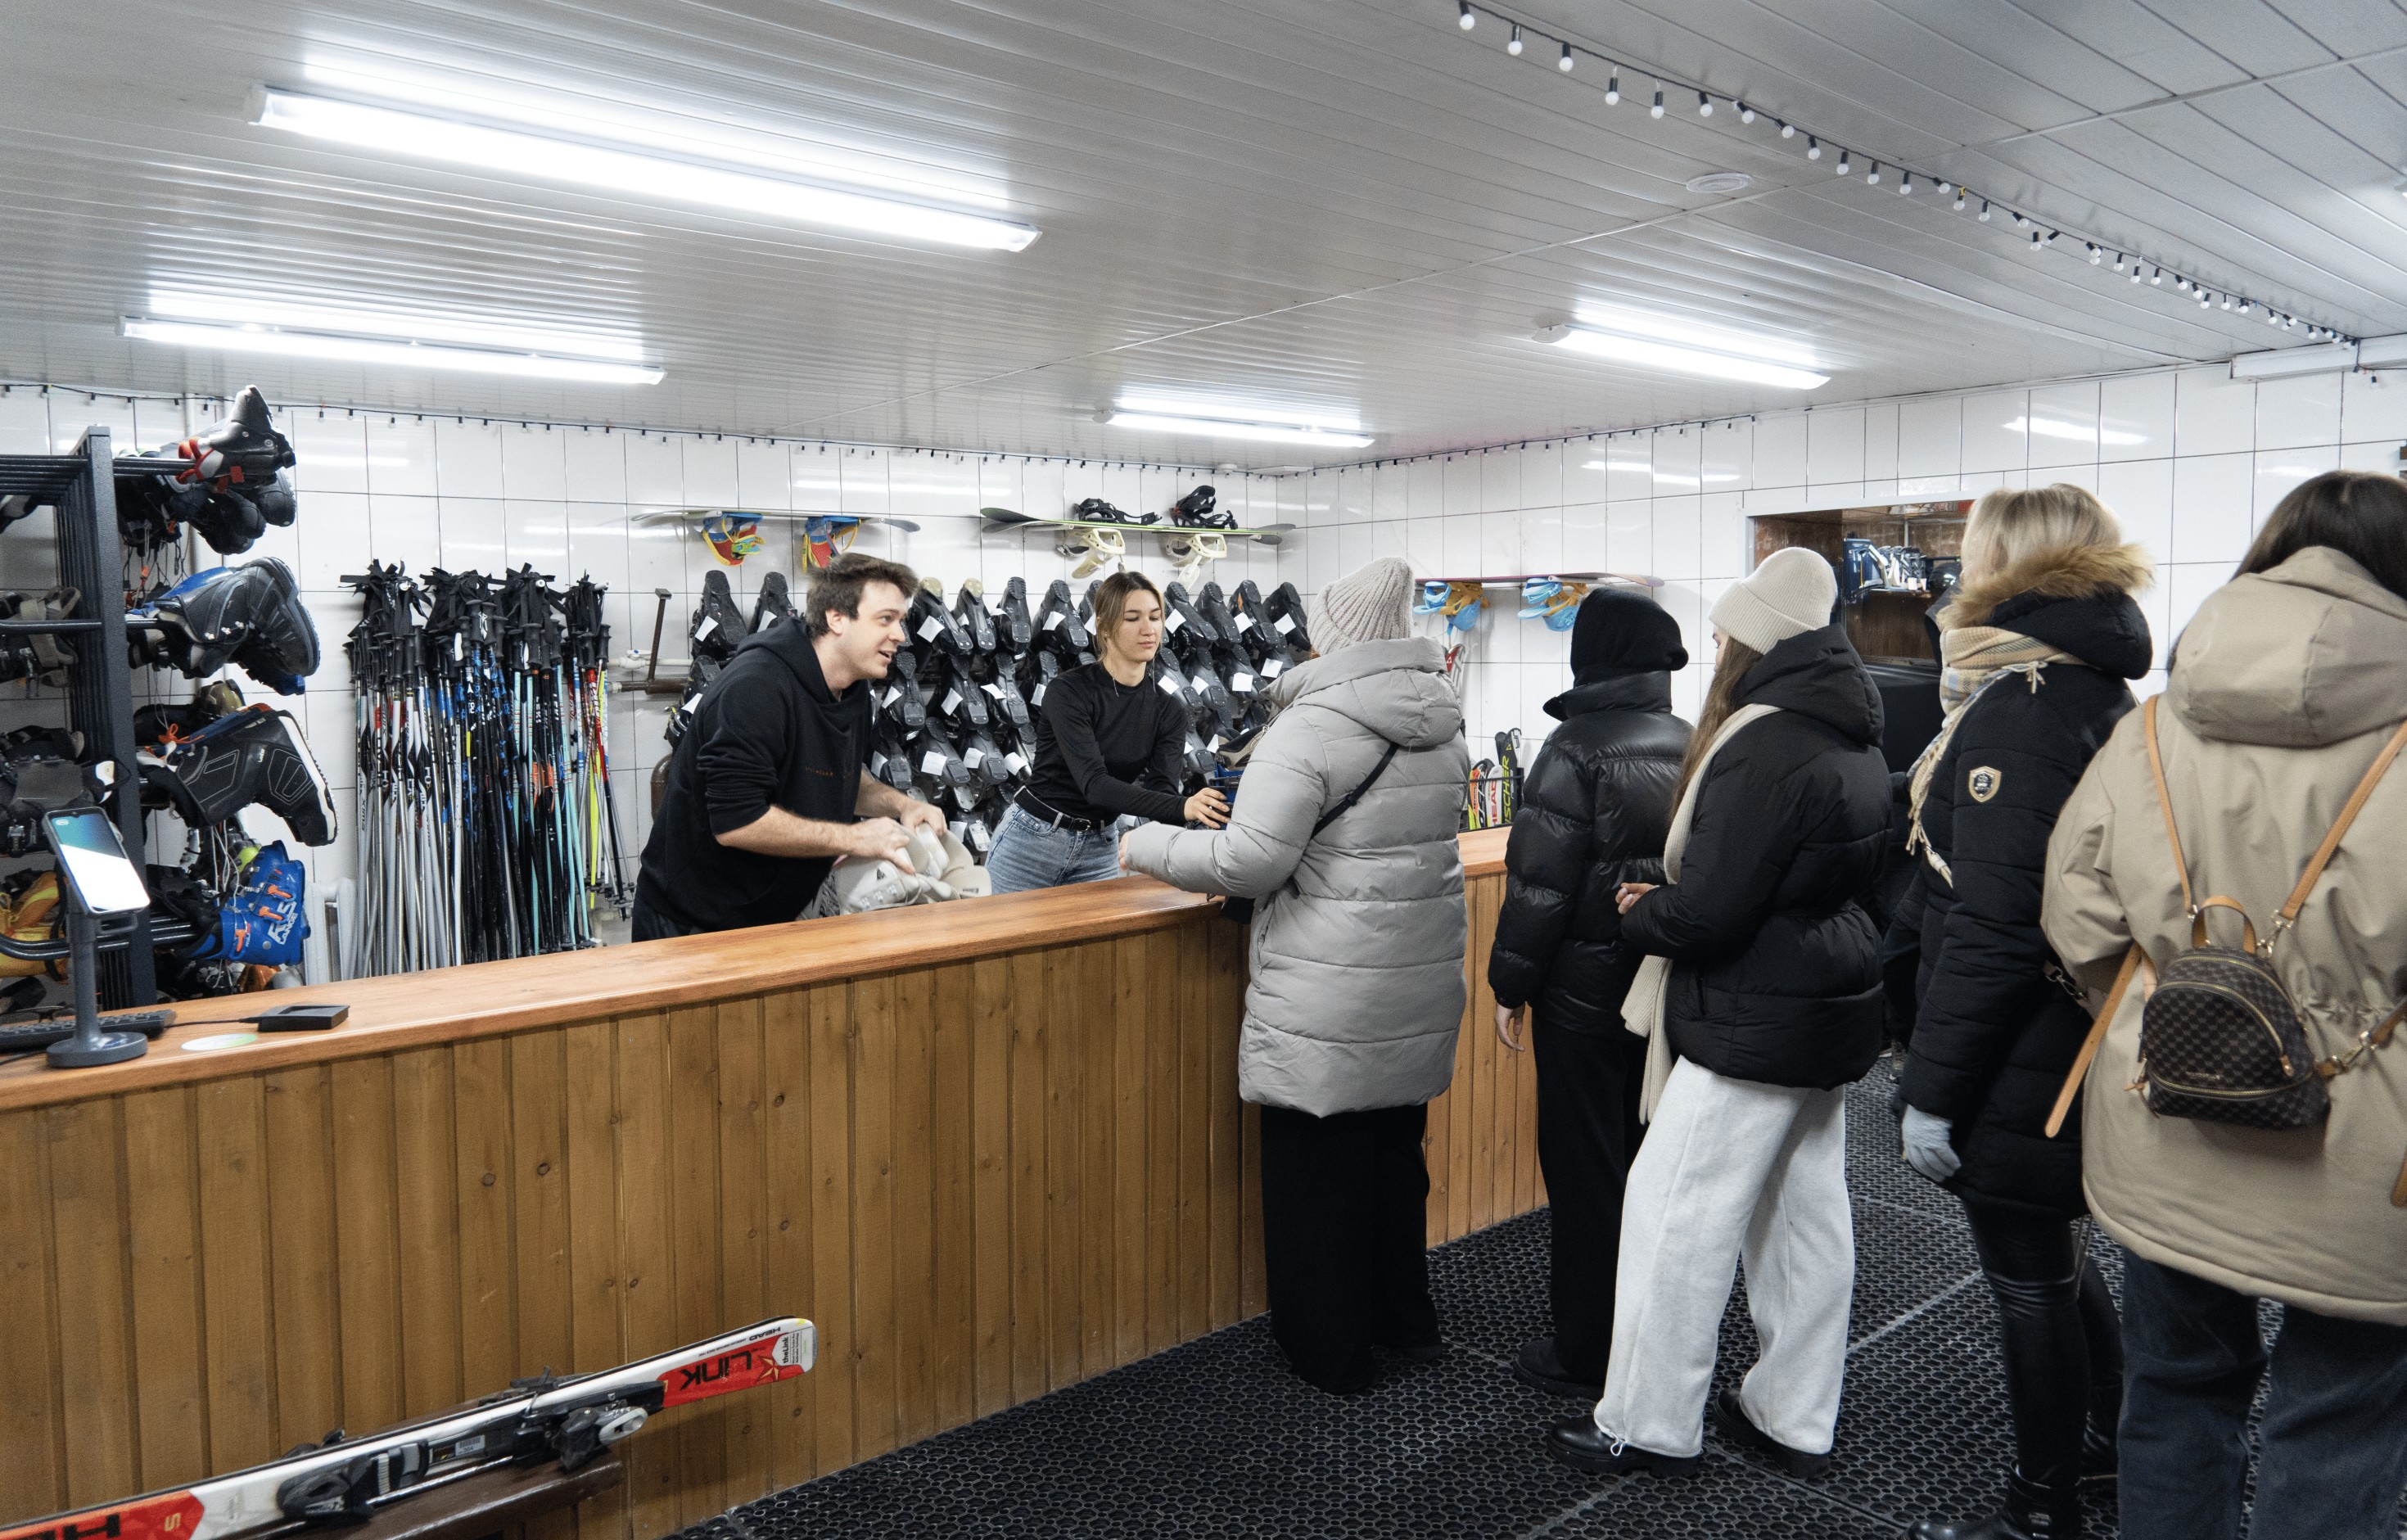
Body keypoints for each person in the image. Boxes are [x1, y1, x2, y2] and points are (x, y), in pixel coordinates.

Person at [2043, 470, 2407, 1540]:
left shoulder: (2153, 727)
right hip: (2372, 1160)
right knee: (2339, 1422)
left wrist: (2179, 1000)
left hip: (2169, 1117)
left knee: (2174, 1388)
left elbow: (2076, 918)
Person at [1548, 547, 1890, 1477]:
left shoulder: (1763, 743)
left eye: (1727, 629)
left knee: (1674, 1212)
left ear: (1758, 639)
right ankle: (1794, 1415)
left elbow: (1710, 910)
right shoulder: (1855, 731)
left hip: (1752, 1015)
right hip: (1827, 1004)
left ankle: (1647, 1421)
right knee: (1805, 1220)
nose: (1715, 644)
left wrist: (1642, 910)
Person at [1118, 557, 1470, 1393]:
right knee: (1394, 1158)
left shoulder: (1309, 729)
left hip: (1328, 989)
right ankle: (1405, 1323)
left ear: (1331, 636)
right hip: (1416, 977)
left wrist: (1145, 843)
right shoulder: (1442, 719)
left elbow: (1249, 860)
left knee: (1318, 1176)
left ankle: (1331, 1352)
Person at [1890, 486, 2151, 1540]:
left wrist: (1931, 1091)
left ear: (2008, 561)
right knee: (2054, 1261)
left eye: (1973, 550)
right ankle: (2109, 1443)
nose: (1959, 569)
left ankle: (2043, 1507)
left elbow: (1996, 925)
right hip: (2065, 1031)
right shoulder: (2092, 689)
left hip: (2020, 1049)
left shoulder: (2023, 706)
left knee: (2029, 1281)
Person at [1487, 588, 1691, 1401]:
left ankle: (1585, 1351)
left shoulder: (1573, 748)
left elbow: (1540, 887)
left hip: (1581, 998)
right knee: (1651, 1171)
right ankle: (1646, 1340)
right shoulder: (1694, 740)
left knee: (1585, 1176)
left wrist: (1510, 985)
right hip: (1664, 991)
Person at [632, 553, 946, 939]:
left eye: (901, 620)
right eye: (886, 619)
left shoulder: (852, 689)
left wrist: (902, 806)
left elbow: (839, 779)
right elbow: (737, 823)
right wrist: (855, 837)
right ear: (836, 618)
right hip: (693, 924)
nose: (901, 635)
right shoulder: (757, 688)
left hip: (772, 916)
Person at [986, 570, 1228, 893]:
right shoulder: (1068, 691)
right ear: (1104, 627)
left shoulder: (1168, 710)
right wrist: (1184, 806)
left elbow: (1162, 790)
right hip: (1030, 845)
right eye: (1132, 618)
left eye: (1155, 617)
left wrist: (1210, 819)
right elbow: (1095, 786)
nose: (1148, 629)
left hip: (1099, 851)